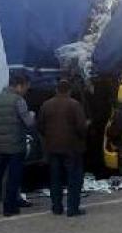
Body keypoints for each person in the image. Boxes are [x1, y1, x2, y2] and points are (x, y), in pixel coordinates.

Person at [0, 73, 36, 217]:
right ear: (19, 86)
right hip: (15, 146)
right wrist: (32, 115)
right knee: (13, 177)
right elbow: (29, 123)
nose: (26, 90)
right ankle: (9, 208)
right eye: (25, 87)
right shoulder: (18, 101)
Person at [38, 79, 88, 217]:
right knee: (74, 179)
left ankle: (57, 207)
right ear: (70, 90)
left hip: (53, 148)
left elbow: (40, 126)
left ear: (56, 90)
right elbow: (81, 127)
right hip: (72, 147)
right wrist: (82, 136)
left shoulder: (46, 105)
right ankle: (72, 209)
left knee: (55, 179)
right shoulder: (74, 105)